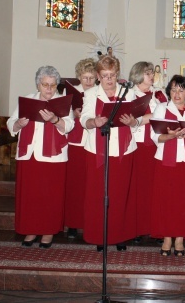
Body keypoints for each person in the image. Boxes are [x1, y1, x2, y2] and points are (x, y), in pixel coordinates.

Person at [7, 66, 74, 249]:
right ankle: (31, 230)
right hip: (30, 155)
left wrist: (54, 120)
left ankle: (48, 232)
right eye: (45, 85)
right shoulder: (27, 100)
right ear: (38, 85)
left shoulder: (62, 102)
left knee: (50, 196)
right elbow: (10, 123)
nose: (49, 89)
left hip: (54, 158)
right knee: (31, 196)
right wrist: (18, 123)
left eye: (53, 85)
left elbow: (69, 126)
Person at [80, 55, 139, 251]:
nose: (109, 79)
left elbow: (136, 119)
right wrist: (93, 122)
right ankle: (100, 236)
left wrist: (133, 122)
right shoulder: (91, 94)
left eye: (112, 75)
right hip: (97, 149)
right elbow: (84, 120)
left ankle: (119, 235)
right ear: (98, 76)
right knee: (99, 194)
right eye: (105, 75)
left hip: (123, 150)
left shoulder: (127, 92)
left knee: (120, 194)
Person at [150, 74, 185, 256]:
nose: (177, 93)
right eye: (173, 89)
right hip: (165, 160)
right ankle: (166, 238)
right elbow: (154, 136)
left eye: (181, 90)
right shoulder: (161, 108)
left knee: (184, 201)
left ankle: (180, 239)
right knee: (166, 200)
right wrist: (172, 135)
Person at [129, 61, 168, 243]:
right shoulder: (129, 94)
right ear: (137, 74)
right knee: (138, 188)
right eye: (147, 73)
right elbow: (130, 119)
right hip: (136, 144)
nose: (152, 76)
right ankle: (137, 228)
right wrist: (154, 116)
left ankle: (155, 228)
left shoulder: (159, 94)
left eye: (152, 73)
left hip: (156, 144)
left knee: (155, 188)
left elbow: (170, 114)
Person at [63, 58, 96, 239]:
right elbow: (63, 115)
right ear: (79, 77)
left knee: (90, 185)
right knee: (75, 184)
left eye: (91, 78)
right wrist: (74, 114)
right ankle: (74, 223)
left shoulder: (100, 93)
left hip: (93, 142)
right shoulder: (72, 94)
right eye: (85, 78)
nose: (88, 82)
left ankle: (89, 221)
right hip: (76, 141)